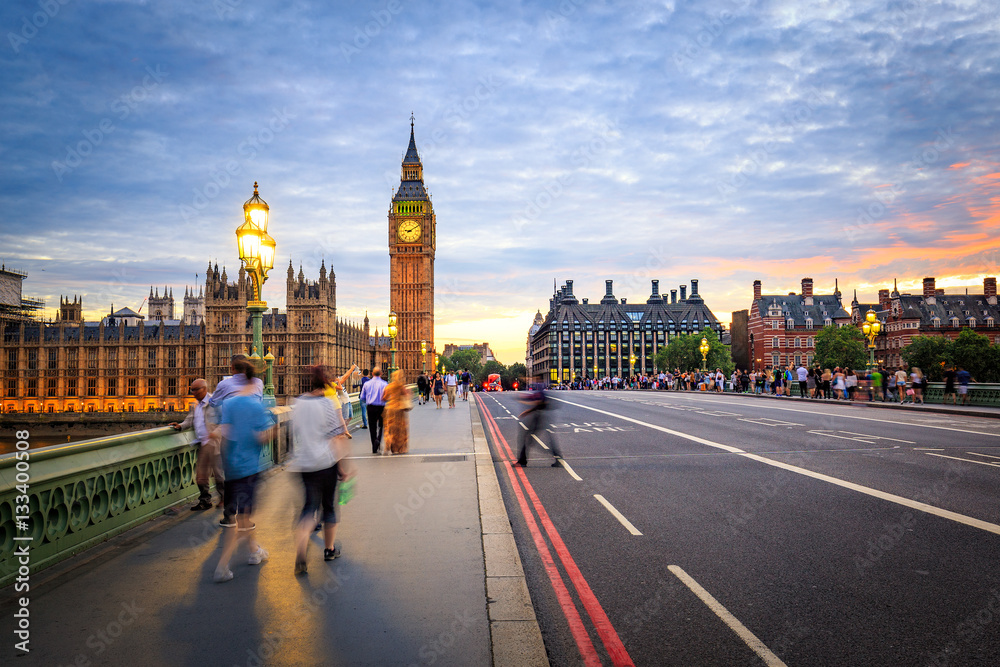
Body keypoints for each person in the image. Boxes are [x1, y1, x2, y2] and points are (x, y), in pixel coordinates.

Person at [213, 360, 275, 583]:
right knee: (244, 518)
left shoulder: (228, 404)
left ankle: (254, 551)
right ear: (254, 378)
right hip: (250, 467)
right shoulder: (256, 406)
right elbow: (263, 435)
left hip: (232, 465)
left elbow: (224, 433)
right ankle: (222, 565)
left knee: (241, 516)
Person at [289, 366, 351, 574]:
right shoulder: (327, 403)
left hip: (304, 462)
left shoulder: (298, 403)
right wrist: (342, 467)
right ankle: (329, 549)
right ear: (326, 382)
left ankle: (300, 552)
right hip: (325, 462)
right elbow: (335, 437)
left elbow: (294, 432)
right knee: (329, 506)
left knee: (308, 508)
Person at [170, 379, 222, 511]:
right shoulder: (195, 404)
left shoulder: (214, 402)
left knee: (218, 474)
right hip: (203, 444)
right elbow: (190, 419)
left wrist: (216, 433)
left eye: (195, 389)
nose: (192, 392)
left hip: (215, 443)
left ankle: (225, 498)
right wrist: (180, 426)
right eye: (191, 389)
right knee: (201, 476)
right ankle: (205, 501)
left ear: (204, 389)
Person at [516, 386, 562, 467]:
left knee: (527, 438)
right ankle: (558, 458)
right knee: (547, 439)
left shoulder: (539, 389)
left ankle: (522, 461)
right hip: (541, 416)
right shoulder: (539, 389)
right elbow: (536, 399)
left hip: (539, 417)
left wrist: (527, 411)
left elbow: (539, 402)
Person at [359, 367, 388, 454]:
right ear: (381, 374)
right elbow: (387, 397)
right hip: (381, 407)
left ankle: (374, 446)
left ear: (372, 374)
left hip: (371, 407)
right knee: (381, 426)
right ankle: (378, 439)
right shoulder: (385, 384)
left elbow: (362, 397)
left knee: (372, 427)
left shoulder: (367, 384)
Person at [384, 370, 413, 455]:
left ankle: (389, 444)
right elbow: (406, 395)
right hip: (399, 409)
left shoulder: (388, 386)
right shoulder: (400, 386)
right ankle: (400, 448)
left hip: (390, 409)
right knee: (400, 430)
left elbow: (384, 398)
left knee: (390, 429)